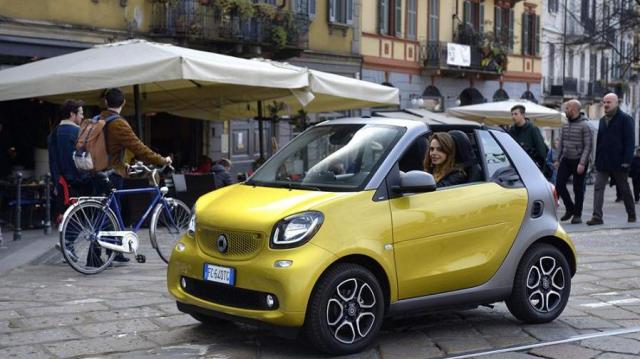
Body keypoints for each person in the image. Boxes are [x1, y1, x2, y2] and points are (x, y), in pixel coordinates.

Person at [99, 88, 172, 261]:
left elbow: (109, 148)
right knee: (109, 215)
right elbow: (139, 148)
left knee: (110, 213)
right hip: (113, 173)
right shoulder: (118, 123)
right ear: (123, 103)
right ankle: (94, 256)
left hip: (97, 171)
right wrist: (162, 160)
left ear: (106, 102)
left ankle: (114, 252)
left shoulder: (98, 119)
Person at [586, 93, 636, 225]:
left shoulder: (626, 119)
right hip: (603, 161)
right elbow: (600, 141)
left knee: (624, 188)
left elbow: (630, 142)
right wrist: (597, 160)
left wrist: (627, 161)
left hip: (620, 162)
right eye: (604, 102)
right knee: (598, 187)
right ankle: (597, 217)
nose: (606, 105)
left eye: (609, 102)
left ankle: (631, 214)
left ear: (616, 103)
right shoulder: (602, 121)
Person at [47, 100, 92, 222]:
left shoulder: (54, 132)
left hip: (60, 182)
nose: (83, 117)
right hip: (75, 183)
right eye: (81, 113)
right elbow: (74, 162)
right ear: (72, 114)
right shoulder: (76, 132)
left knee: (68, 218)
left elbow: (52, 161)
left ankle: (66, 240)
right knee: (80, 219)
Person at [555, 100, 593, 224]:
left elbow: (588, 146)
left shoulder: (585, 125)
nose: (565, 110)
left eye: (567, 108)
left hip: (579, 160)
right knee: (559, 185)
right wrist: (557, 159)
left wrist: (582, 163)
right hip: (566, 159)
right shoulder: (565, 124)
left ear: (574, 109)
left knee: (578, 188)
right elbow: (561, 143)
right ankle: (570, 208)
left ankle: (577, 214)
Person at [508, 105, 548, 170]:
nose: (513, 117)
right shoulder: (511, 130)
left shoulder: (533, 129)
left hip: (531, 165)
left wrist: (541, 167)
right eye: (512, 114)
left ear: (523, 115)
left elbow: (541, 150)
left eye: (515, 114)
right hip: (516, 165)